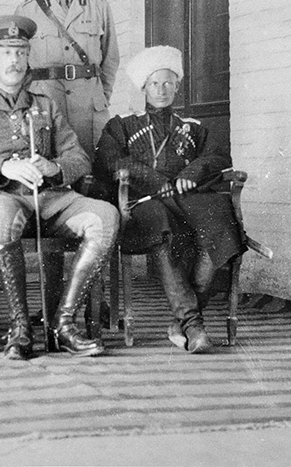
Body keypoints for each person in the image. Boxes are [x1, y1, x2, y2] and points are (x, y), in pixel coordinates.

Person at [0, 15, 119, 360]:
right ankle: (20, 327)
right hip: (1, 197)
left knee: (106, 216)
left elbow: (78, 157)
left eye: (21, 52)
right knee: (5, 216)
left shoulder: (45, 105)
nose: (14, 60)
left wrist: (54, 167)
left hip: (52, 198)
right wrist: (3, 167)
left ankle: (62, 324)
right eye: (6, 52)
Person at [92, 45, 246, 354]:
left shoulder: (193, 127)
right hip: (144, 203)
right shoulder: (121, 125)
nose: (161, 90)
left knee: (220, 216)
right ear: (143, 88)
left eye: (167, 83)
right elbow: (109, 161)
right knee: (159, 221)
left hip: (187, 200)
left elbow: (218, 156)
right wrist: (155, 180)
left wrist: (192, 170)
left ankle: (185, 323)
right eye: (154, 83)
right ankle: (192, 324)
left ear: (177, 86)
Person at [15, 0, 119, 158]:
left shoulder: (98, 5)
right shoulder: (26, 11)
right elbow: (20, 66)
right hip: (47, 107)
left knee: (95, 175)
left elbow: (110, 59)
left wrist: (98, 98)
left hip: (89, 112)